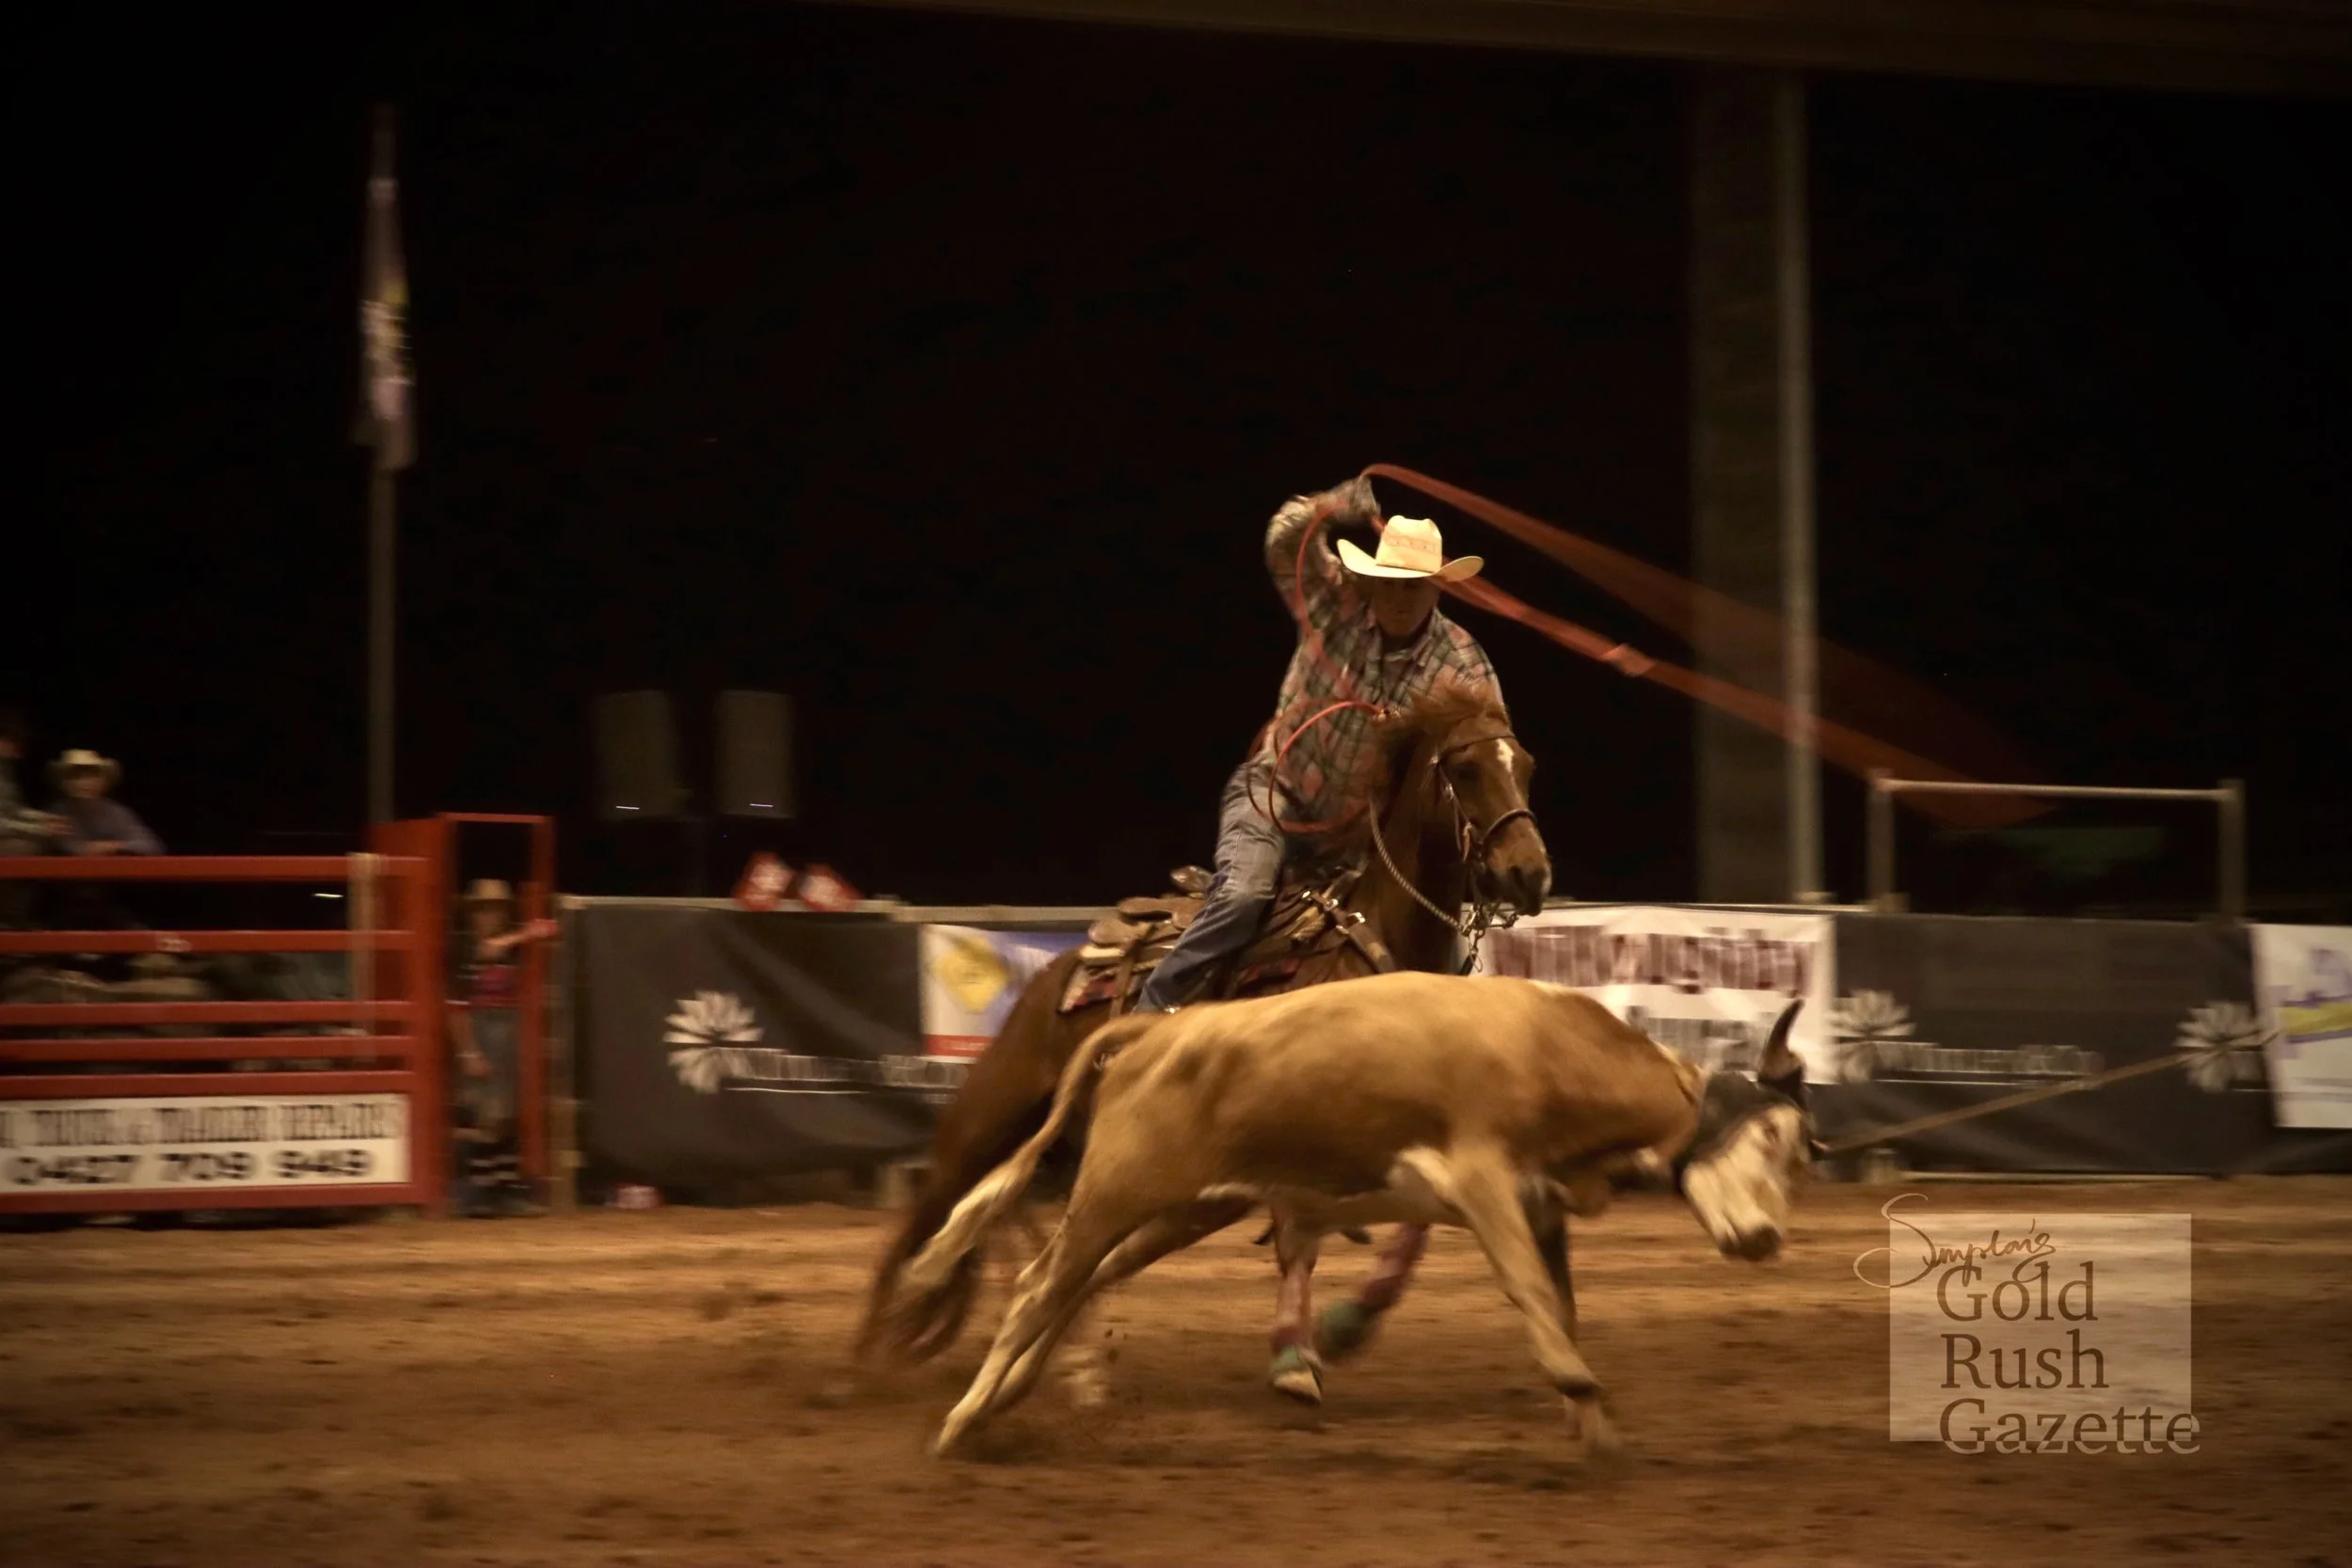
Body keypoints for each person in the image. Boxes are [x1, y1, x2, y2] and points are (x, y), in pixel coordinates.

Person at [1133, 474, 1505, 1014]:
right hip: (1276, 799)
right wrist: (1338, 505)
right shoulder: (1335, 604)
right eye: (1392, 583)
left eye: (1415, 585)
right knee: (1241, 899)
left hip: (1360, 843)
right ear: (1373, 581)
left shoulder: (1462, 663)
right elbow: (1285, 541)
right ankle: (1148, 1016)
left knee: (1431, 950)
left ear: (1437, 588)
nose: (1401, 597)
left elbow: (1490, 751)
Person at [447, 879, 557, 1217]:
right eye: (483, 909)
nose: (489, 916)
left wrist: (517, 938)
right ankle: (481, 1191)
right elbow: (455, 1007)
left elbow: (550, 929)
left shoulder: (510, 948)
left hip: (510, 1032)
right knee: (487, 1115)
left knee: (508, 1113)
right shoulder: (465, 951)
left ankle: (503, 1188)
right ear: (472, 914)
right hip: (482, 1032)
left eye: (495, 909)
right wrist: (468, 1051)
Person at [0, 708, 66, 932]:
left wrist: (43, 819)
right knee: (26, 848)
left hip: (7, 832)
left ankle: (20, 916)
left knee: (47, 844)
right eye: (12, 742)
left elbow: (12, 810)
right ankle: (9, 917)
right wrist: (36, 830)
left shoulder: (4, 772)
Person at [46, 750, 164, 857]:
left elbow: (152, 846)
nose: (83, 783)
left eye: (90, 777)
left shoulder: (117, 813)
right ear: (63, 783)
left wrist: (113, 846)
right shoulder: (57, 813)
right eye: (75, 777)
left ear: (103, 782)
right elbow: (73, 849)